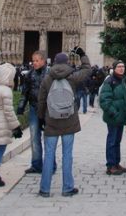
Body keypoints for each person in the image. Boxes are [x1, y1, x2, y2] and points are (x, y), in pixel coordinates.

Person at [37, 49, 91, 197]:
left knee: (48, 155)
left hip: (52, 121)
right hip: (69, 121)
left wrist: (42, 118)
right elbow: (87, 70)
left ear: (54, 62)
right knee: (67, 155)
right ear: (67, 62)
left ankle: (45, 189)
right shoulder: (72, 77)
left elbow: (41, 101)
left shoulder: (47, 78)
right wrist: (82, 55)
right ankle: (67, 188)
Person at [17, 50, 49, 174]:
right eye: (33, 60)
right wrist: (21, 107)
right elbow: (24, 92)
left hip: (47, 110)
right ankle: (36, 164)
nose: (34, 63)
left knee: (49, 138)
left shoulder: (50, 73)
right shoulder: (29, 75)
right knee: (34, 137)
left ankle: (50, 163)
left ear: (43, 61)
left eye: (36, 60)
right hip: (34, 108)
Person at [99, 59, 126, 175]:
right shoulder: (110, 81)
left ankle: (116, 163)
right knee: (112, 141)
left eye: (123, 66)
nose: (122, 68)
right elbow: (104, 100)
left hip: (121, 117)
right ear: (114, 69)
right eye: (119, 67)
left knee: (117, 141)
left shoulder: (122, 81)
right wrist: (114, 113)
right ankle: (110, 165)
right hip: (113, 117)